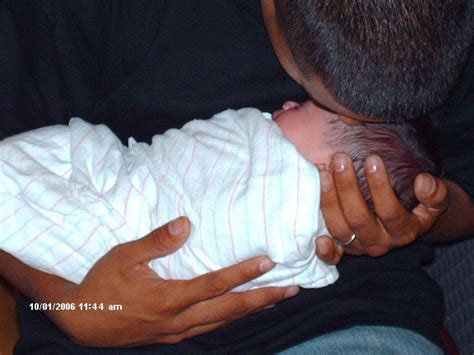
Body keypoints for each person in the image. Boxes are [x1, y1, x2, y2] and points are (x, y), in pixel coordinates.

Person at [0, 0, 472, 353]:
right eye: (330, 103)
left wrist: (422, 213)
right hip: (99, 314)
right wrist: (76, 311)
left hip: (343, 320)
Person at [0, 100, 433, 291]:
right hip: (129, 182)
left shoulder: (290, 201)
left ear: (326, 170)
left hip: (124, 227)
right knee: (70, 152)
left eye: (299, 109)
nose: (282, 105)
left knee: (30, 190)